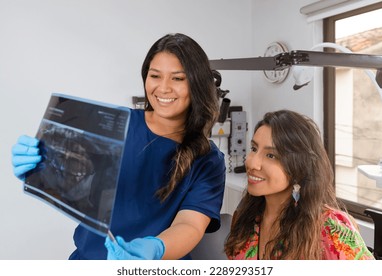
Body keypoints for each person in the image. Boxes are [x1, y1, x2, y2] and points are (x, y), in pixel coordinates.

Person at [11, 33, 226, 260]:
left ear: (197, 83)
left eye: (178, 78)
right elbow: (75, 179)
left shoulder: (208, 159)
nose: (163, 88)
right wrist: (40, 166)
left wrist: (156, 249)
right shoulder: (115, 126)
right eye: (155, 76)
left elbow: (190, 224)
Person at [224, 109, 374, 260]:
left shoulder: (330, 228)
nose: (251, 162)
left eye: (271, 155)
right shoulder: (245, 217)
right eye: (254, 149)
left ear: (299, 167)